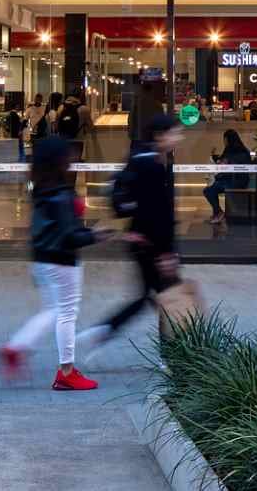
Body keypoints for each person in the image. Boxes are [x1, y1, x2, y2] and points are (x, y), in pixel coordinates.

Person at [0, 137, 110, 390]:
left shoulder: (41, 189)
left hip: (42, 259)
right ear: (59, 161)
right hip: (63, 262)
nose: (73, 160)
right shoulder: (61, 193)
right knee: (67, 313)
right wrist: (96, 235)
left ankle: (15, 348)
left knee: (53, 310)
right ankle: (66, 371)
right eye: (68, 156)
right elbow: (70, 235)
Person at [83, 114, 184, 348]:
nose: (179, 138)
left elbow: (137, 204)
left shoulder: (138, 157)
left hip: (139, 240)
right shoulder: (153, 166)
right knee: (167, 297)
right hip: (152, 244)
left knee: (152, 296)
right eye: (175, 133)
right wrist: (167, 252)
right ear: (160, 136)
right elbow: (158, 212)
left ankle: (106, 329)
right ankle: (170, 353)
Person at [201, 127, 256, 222]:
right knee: (210, 188)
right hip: (229, 178)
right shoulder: (229, 149)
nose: (224, 142)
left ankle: (218, 212)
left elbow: (237, 164)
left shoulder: (242, 152)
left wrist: (227, 162)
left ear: (230, 140)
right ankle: (217, 212)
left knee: (209, 190)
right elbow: (224, 160)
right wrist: (219, 159)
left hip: (238, 181)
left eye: (225, 140)